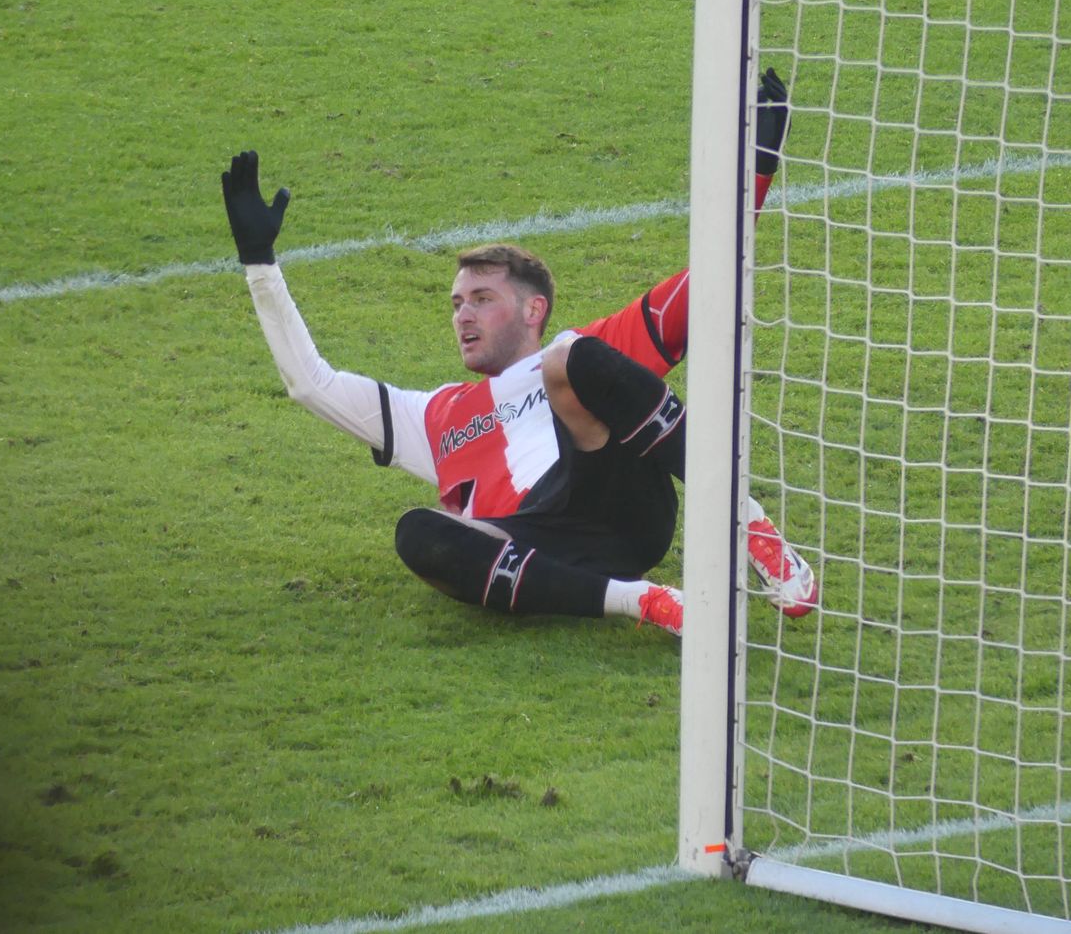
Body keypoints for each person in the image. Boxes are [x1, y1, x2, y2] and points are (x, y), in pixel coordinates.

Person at [219, 71, 817, 637]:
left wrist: (754, 172)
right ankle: (645, 602)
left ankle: (743, 515)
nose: (463, 316)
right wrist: (259, 262)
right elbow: (310, 383)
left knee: (569, 359)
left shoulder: (578, 351)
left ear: (533, 309)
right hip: (541, 546)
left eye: (482, 298)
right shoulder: (433, 415)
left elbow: (703, 288)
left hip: (627, 510)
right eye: (456, 304)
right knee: (418, 532)